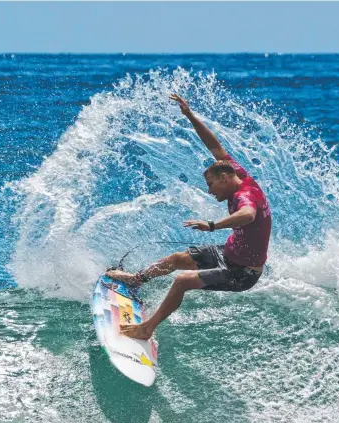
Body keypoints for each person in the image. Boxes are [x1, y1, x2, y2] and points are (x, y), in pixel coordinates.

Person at [106, 94, 272, 340]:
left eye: (211, 184)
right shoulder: (238, 174)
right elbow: (215, 147)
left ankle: (146, 328)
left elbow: (247, 215)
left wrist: (212, 225)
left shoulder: (244, 197)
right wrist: (190, 115)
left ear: (225, 178)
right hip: (228, 254)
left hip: (243, 272)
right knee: (176, 258)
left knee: (183, 280)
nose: (210, 190)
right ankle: (136, 280)